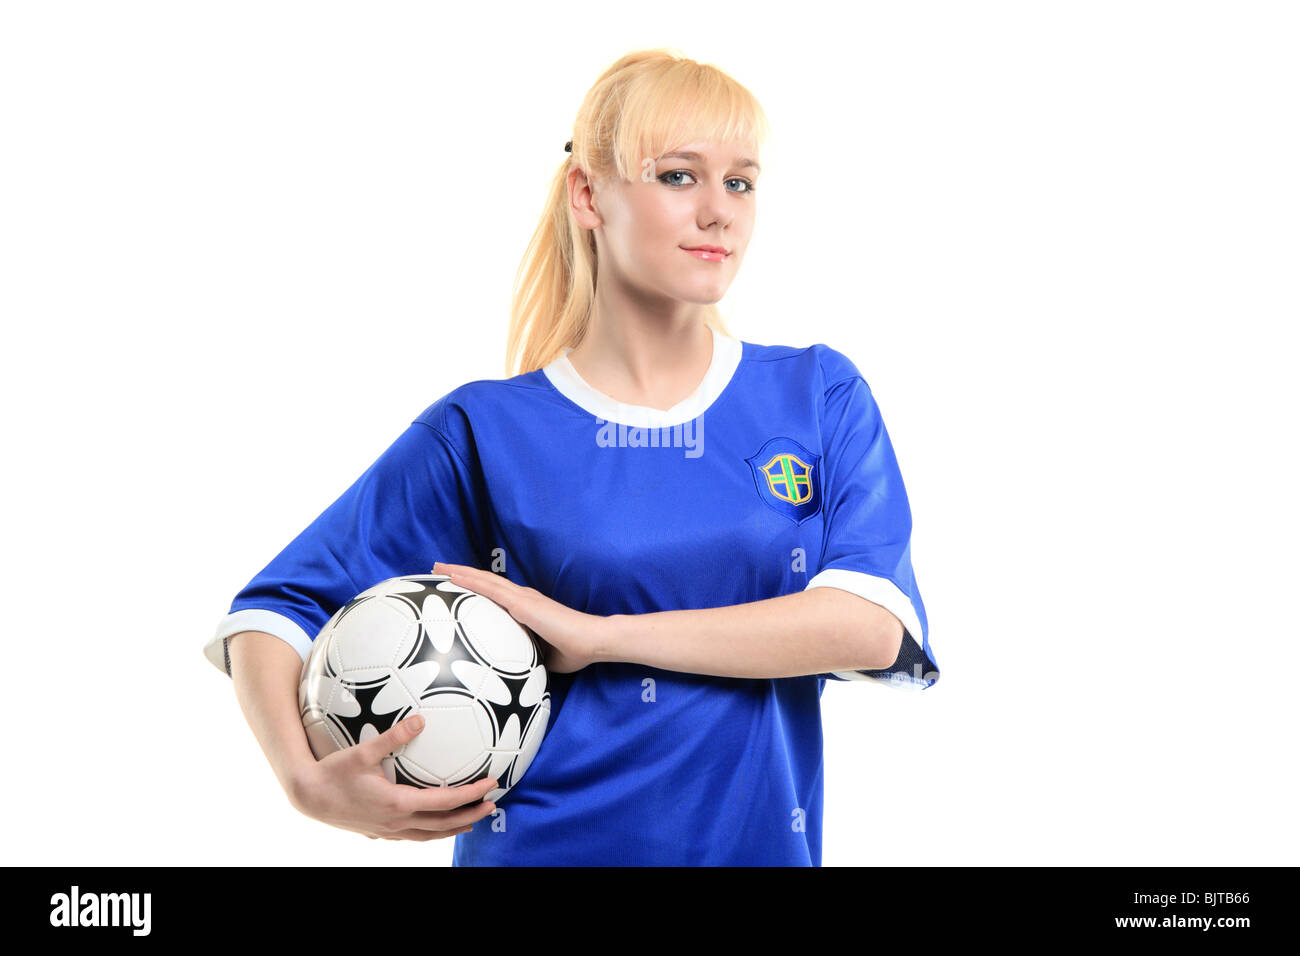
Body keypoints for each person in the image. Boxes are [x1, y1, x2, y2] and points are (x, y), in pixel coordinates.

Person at [207, 48, 940, 866]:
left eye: (740, 182)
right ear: (589, 194)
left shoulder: (815, 395)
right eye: (677, 176)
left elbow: (871, 627)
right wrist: (303, 781)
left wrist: (601, 636)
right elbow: (273, 611)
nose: (719, 212)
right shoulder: (484, 430)